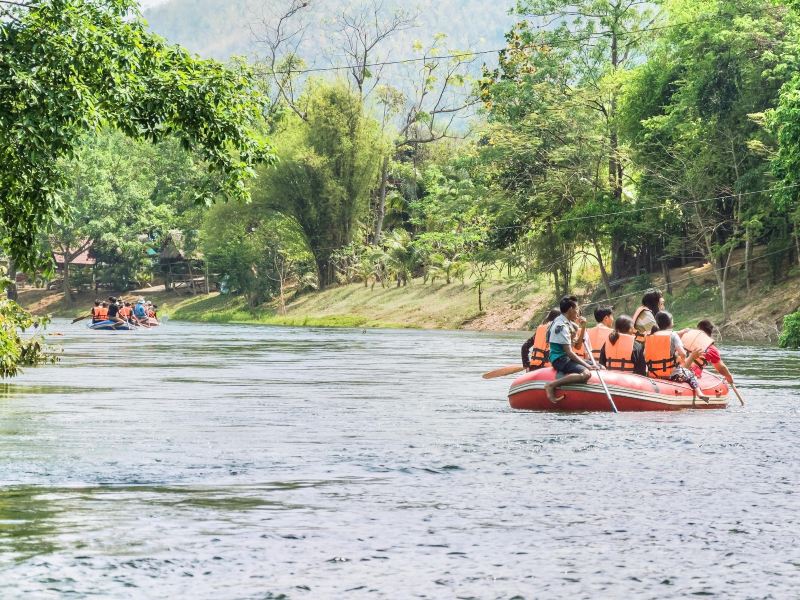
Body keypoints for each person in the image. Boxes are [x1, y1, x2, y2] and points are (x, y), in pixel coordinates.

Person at [543, 296, 598, 404]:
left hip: (566, 357)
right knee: (586, 374)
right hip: (560, 359)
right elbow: (569, 352)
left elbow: (577, 346)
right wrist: (587, 366)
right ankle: (551, 385)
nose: (578, 312)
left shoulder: (569, 323)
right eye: (577, 309)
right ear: (570, 310)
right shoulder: (561, 326)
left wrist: (583, 327)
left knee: (599, 365)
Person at [644, 311, 709, 402]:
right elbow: (682, 353)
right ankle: (699, 393)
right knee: (690, 374)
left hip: (653, 374)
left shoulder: (650, 335)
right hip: (672, 375)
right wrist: (681, 358)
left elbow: (645, 354)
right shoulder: (673, 335)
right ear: (670, 322)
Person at [679, 320, 734, 384]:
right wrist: (729, 377)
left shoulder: (684, 338)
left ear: (698, 330)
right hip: (690, 374)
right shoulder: (711, 348)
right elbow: (721, 368)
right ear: (711, 332)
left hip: (675, 370)